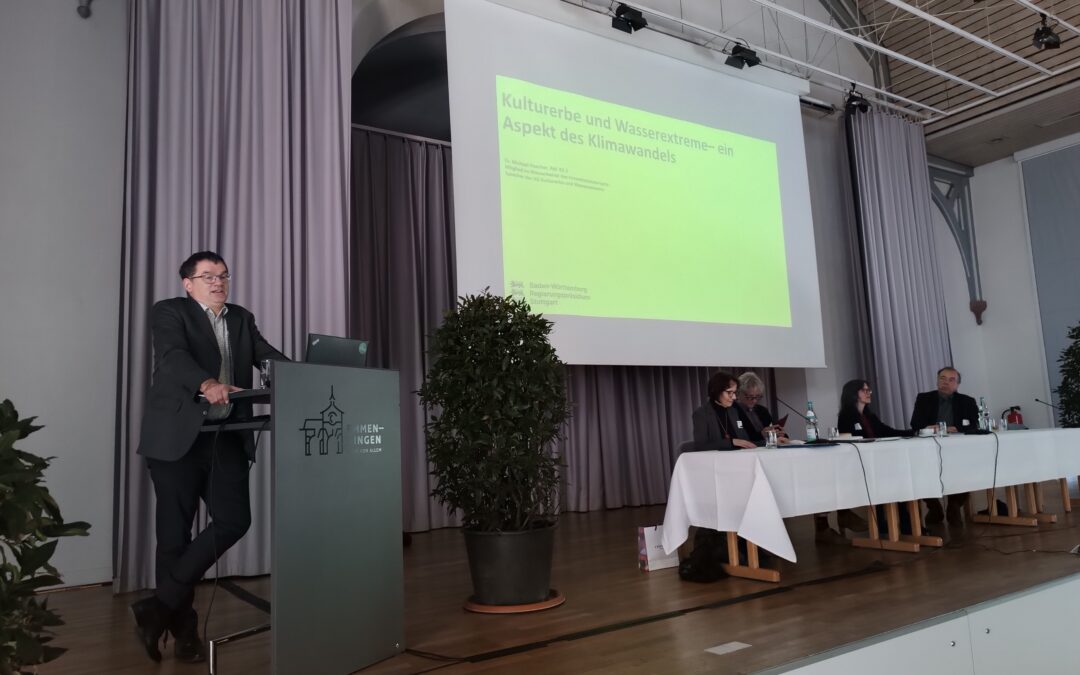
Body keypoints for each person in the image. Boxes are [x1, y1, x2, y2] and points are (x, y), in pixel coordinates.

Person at [130, 251, 286, 663]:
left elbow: (267, 355)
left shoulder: (239, 317)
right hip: (176, 439)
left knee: (235, 519)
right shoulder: (170, 312)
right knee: (174, 539)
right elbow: (173, 357)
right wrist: (207, 382)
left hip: (225, 436)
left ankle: (156, 606)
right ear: (188, 283)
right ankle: (184, 635)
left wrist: (303, 373)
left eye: (223, 275)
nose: (218, 282)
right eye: (207, 276)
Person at [910, 367, 980, 525]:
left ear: (957, 384)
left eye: (951, 380)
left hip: (957, 448)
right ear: (937, 380)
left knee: (963, 469)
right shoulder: (924, 398)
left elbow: (975, 424)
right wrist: (933, 428)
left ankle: (954, 505)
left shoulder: (967, 401)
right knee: (920, 470)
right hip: (928, 447)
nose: (945, 382)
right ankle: (934, 506)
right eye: (942, 378)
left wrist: (954, 428)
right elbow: (915, 424)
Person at [692, 371, 757, 451]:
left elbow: (746, 442)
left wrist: (771, 441)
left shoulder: (734, 411)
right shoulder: (701, 414)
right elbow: (700, 447)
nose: (734, 397)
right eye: (729, 392)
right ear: (716, 391)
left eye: (734, 392)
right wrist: (732, 442)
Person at [837, 379, 913, 438]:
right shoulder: (845, 417)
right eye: (864, 390)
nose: (868, 393)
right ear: (853, 393)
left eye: (868, 390)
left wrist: (913, 432)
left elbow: (888, 432)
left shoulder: (871, 417)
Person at [735, 371, 783, 445]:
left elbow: (772, 428)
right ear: (738, 393)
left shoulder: (762, 410)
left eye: (758, 397)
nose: (754, 401)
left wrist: (780, 433)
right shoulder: (733, 411)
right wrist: (761, 435)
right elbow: (740, 439)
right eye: (750, 397)